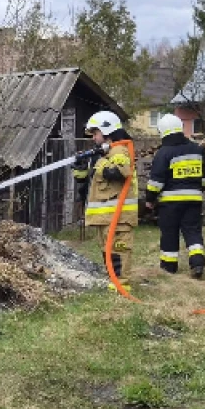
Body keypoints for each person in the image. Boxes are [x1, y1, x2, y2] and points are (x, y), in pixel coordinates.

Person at [75, 110, 138, 282]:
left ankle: (121, 284)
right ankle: (114, 281)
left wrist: (100, 163)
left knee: (119, 250)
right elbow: (84, 181)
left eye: (95, 133)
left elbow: (119, 172)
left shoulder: (119, 151)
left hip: (119, 217)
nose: (93, 138)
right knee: (108, 250)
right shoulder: (105, 154)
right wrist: (79, 166)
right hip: (106, 216)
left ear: (107, 131)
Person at [144, 114, 205, 278]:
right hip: (194, 200)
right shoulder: (198, 149)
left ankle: (169, 267)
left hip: (170, 203)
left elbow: (155, 182)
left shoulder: (163, 153)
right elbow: (204, 179)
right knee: (193, 231)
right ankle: (198, 263)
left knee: (170, 233)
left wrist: (150, 200)